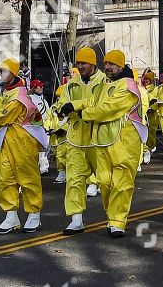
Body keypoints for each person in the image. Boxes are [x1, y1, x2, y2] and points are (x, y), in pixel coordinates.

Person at [76, 50, 146, 237]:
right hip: (103, 141)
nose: (107, 67)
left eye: (111, 64)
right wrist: (74, 105)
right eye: (105, 63)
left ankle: (117, 220)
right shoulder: (106, 84)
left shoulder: (128, 86)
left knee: (121, 182)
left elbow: (109, 108)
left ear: (121, 66)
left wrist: (84, 114)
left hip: (124, 142)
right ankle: (112, 216)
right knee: (104, 182)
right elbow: (93, 100)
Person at [0, 58, 46, 234]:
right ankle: (11, 215)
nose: (0, 74)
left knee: (28, 178)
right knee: (6, 179)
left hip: (23, 142)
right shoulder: (9, 92)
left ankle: (34, 213)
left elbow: (3, 116)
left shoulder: (19, 96)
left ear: (13, 73)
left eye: (4, 71)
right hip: (8, 141)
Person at [53, 49, 104, 233]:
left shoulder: (104, 82)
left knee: (106, 180)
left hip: (99, 139)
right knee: (73, 180)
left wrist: (75, 105)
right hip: (75, 139)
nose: (80, 66)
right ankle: (76, 219)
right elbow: (61, 104)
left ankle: (115, 219)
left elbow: (100, 104)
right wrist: (62, 108)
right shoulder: (71, 84)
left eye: (84, 63)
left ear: (93, 63)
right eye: (78, 63)